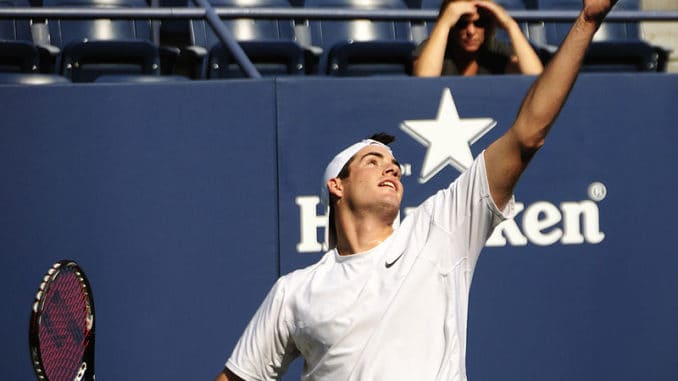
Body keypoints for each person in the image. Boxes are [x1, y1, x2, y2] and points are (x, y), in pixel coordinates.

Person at [215, 0, 618, 379]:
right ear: (336, 185)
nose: (391, 169)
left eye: (394, 166)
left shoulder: (440, 229)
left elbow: (528, 134)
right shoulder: (294, 291)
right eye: (372, 162)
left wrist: (587, 20)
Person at [413, 0, 544, 76]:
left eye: (480, 23)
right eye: (462, 23)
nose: (471, 31)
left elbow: (535, 76)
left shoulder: (495, 51)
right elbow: (424, 78)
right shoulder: (432, 50)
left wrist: (510, 25)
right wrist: (444, 23)